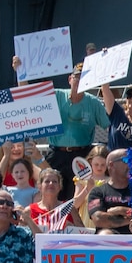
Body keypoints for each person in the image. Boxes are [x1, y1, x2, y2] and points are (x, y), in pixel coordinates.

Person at [12, 55, 108, 201]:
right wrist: (20, 72)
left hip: (83, 155)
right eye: (77, 77)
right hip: (56, 154)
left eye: (84, 78)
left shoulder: (94, 103)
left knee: (80, 198)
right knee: (52, 194)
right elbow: (27, 99)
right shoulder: (55, 95)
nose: (80, 81)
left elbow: (110, 125)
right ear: (70, 79)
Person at [86, 149, 132, 234]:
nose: (130, 164)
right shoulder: (97, 192)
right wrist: (131, 218)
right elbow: (98, 219)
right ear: (111, 165)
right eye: (126, 160)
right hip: (108, 242)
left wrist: (120, 210)